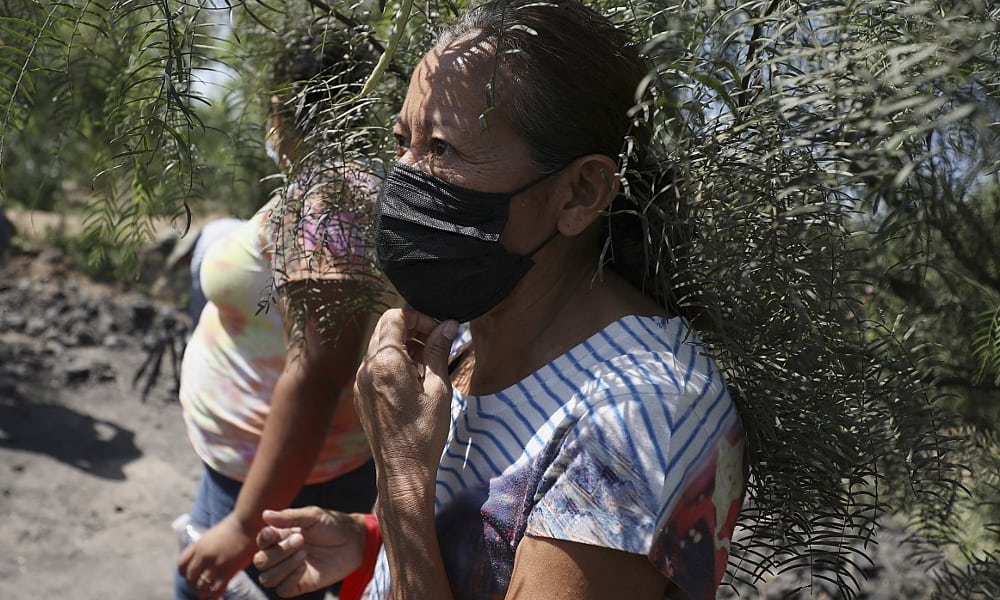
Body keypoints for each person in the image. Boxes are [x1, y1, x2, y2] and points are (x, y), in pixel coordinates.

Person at [253, 1, 746, 599]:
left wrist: (402, 483)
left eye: (443, 150)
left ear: (579, 193)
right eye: (403, 141)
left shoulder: (641, 416)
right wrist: (371, 545)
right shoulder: (473, 329)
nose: (405, 180)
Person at [174, 28, 383, 600]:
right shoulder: (343, 188)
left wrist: (245, 525)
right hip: (270, 472)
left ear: (290, 111)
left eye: (273, 111)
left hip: (278, 483)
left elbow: (317, 374)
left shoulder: (329, 201)